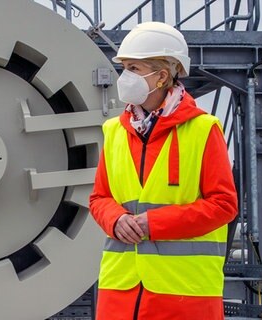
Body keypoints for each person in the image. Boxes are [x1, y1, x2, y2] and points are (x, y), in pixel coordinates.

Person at [89, 21, 238, 320]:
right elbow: (99, 198)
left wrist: (153, 224)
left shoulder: (202, 130)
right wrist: (115, 219)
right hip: (121, 292)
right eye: (124, 67)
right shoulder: (115, 132)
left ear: (161, 77)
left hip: (184, 295)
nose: (125, 76)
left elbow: (223, 206)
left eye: (134, 67)